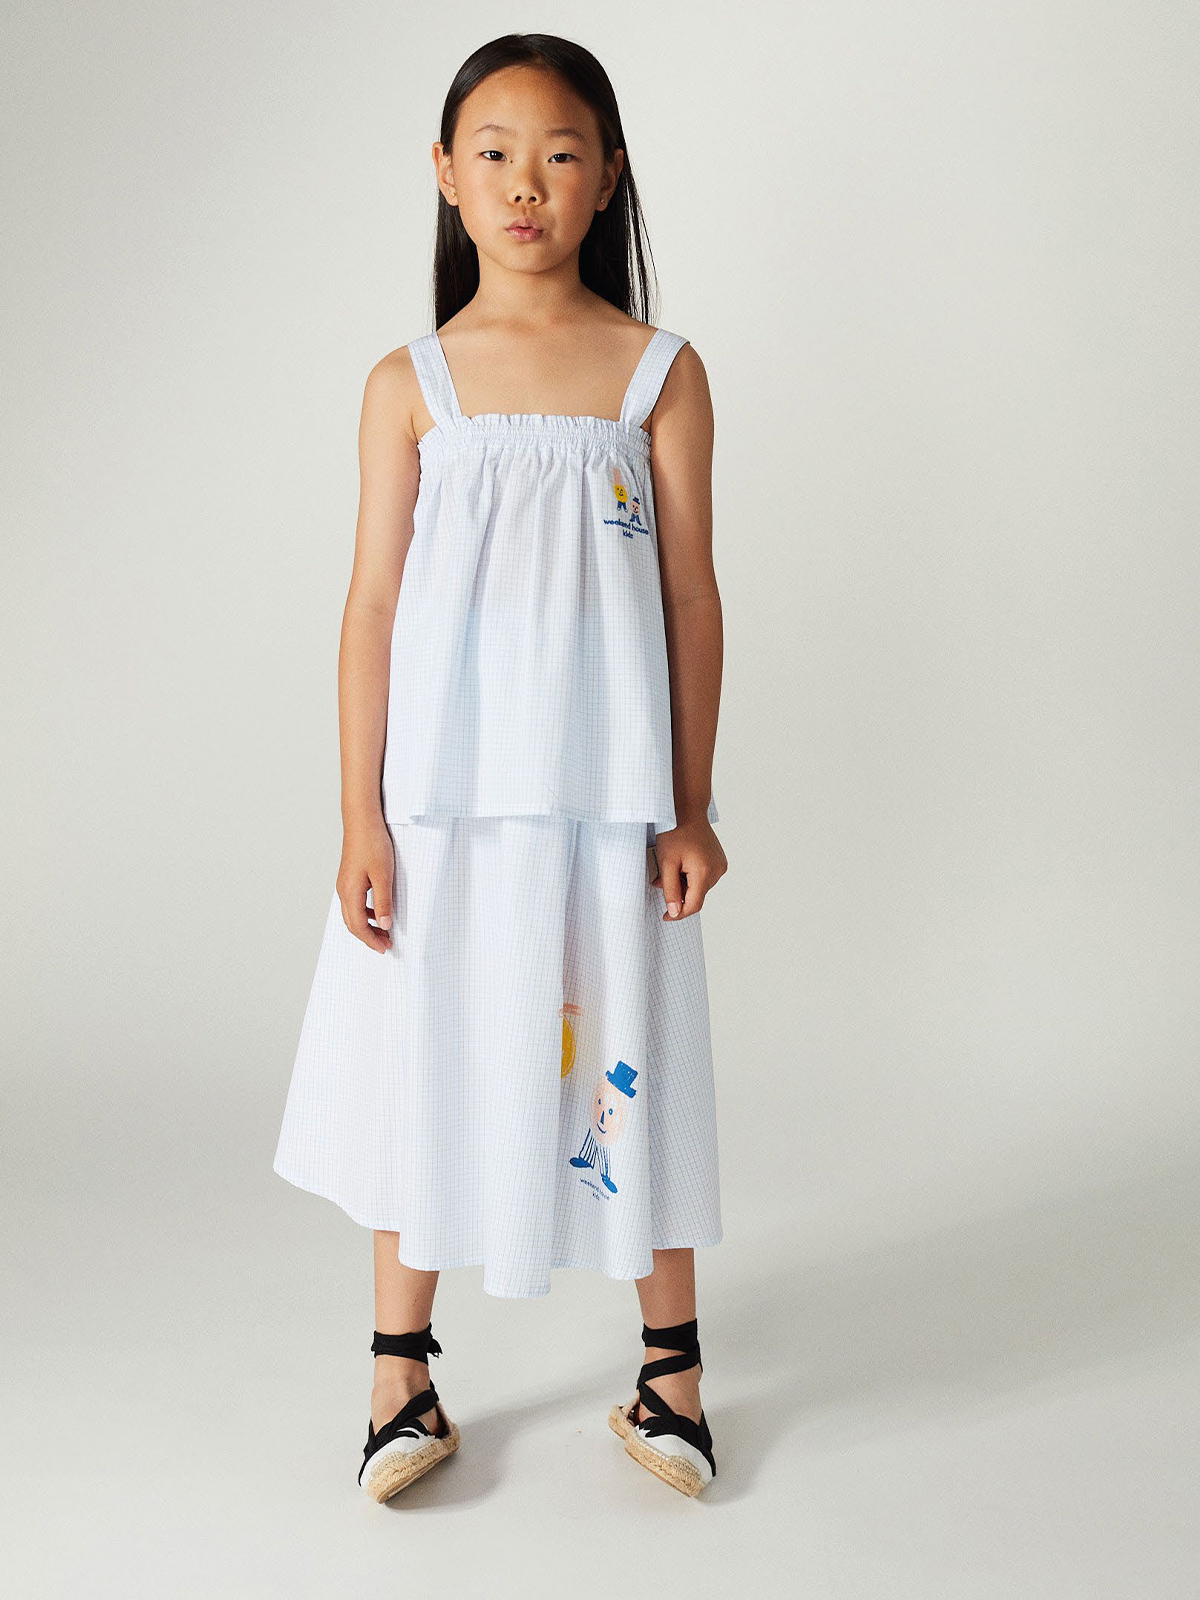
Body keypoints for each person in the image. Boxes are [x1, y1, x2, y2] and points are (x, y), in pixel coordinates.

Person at [272, 31, 728, 1503]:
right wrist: (361, 816)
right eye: (495, 152)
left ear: (607, 178)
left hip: (610, 801)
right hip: (445, 807)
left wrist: (691, 806)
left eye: (560, 153)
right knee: (430, 1057)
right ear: (447, 175)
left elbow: (690, 595)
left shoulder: (657, 375)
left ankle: (672, 1373)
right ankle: (399, 1375)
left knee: (626, 1060)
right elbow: (370, 607)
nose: (526, 183)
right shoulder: (409, 384)